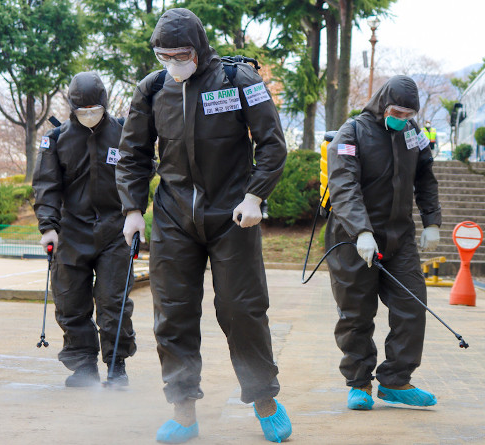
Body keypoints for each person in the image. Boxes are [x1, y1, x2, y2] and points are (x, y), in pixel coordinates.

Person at [115, 8, 290, 444]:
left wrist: (255, 195)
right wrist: (132, 208)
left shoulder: (238, 81)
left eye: (180, 54)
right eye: (164, 55)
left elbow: (272, 144)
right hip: (174, 216)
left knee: (241, 310)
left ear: (199, 48)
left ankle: (265, 401)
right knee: (172, 314)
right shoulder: (152, 89)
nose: (173, 63)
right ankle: (183, 412)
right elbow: (133, 152)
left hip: (232, 215)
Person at [325, 75, 442, 411]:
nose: (402, 119)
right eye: (396, 112)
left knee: (412, 305)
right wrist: (361, 230)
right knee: (356, 314)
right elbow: (344, 185)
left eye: (408, 114)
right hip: (352, 238)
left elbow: (426, 178)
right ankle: (359, 383)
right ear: (381, 104)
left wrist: (431, 221)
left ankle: (396, 380)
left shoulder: (414, 133)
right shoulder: (353, 132)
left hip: (399, 236)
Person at [32, 71, 135, 388]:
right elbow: (46, 186)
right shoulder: (57, 139)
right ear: (72, 108)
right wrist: (48, 227)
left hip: (115, 231)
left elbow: (140, 174)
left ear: (104, 105)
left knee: (113, 301)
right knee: (70, 301)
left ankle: (116, 365)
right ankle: (84, 367)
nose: (90, 116)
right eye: (83, 111)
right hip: (71, 231)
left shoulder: (123, 135)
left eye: (95, 110)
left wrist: (134, 212)